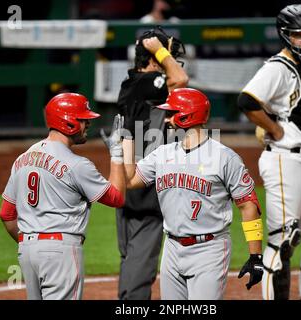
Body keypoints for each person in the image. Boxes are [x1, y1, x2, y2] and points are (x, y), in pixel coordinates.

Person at [119, 88, 264, 299]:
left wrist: (255, 255)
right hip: (171, 249)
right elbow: (130, 181)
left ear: (186, 116)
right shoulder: (162, 154)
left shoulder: (224, 157)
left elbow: (248, 204)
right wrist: (128, 138)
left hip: (209, 249)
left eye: (171, 113)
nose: (167, 119)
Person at [237, 4, 301, 300]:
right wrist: (274, 128)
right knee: (282, 241)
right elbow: (247, 100)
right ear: (285, 36)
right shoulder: (278, 68)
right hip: (284, 158)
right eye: (299, 35)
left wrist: (271, 122)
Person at [0, 93, 126, 300]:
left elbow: (6, 214)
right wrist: (118, 153)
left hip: (27, 251)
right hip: (60, 253)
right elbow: (117, 198)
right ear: (69, 122)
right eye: (83, 120)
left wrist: (31, 243)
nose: (87, 124)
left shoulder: (22, 159)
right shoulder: (77, 165)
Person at [111, 26, 188, 300]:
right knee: (140, 265)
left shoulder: (131, 84)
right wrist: (159, 49)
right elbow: (180, 78)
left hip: (127, 179)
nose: (172, 59)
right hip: (143, 183)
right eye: (167, 53)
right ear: (153, 58)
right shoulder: (147, 83)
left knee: (131, 256)